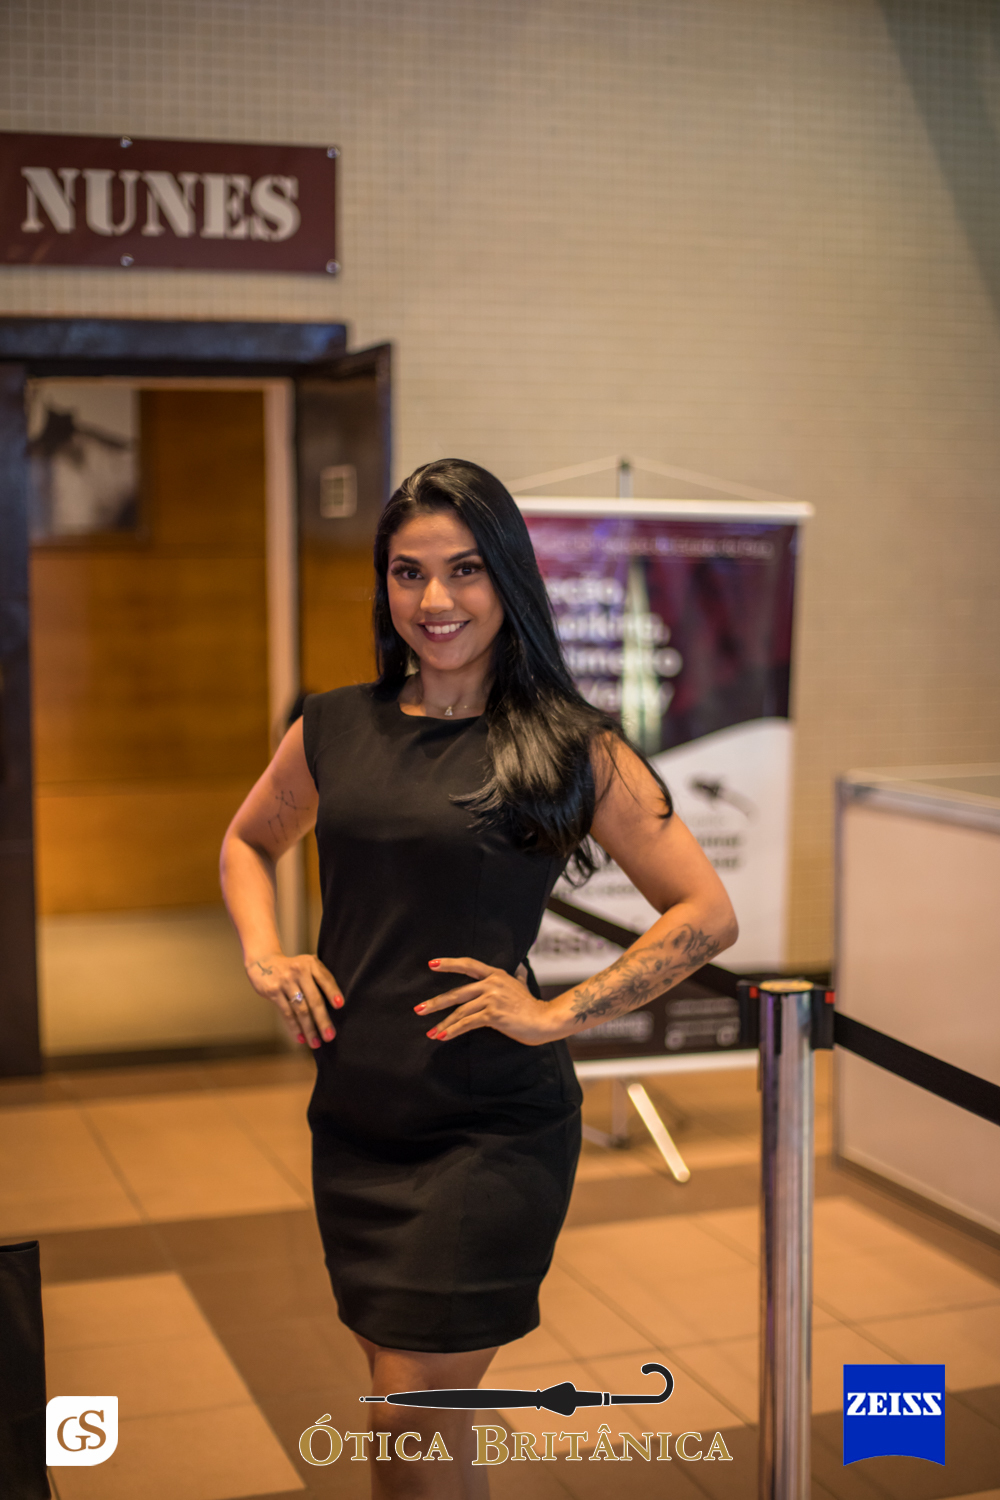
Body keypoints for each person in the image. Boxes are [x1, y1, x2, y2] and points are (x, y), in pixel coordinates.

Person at [220, 458, 737, 1498]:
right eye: (408, 574)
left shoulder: (570, 747)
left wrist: (554, 1014)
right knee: (407, 1414)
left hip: (487, 1127)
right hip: (358, 1115)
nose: (436, 601)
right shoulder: (333, 727)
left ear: (506, 577)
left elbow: (705, 914)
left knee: (410, 1417)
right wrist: (266, 955)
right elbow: (246, 841)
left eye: (463, 571)